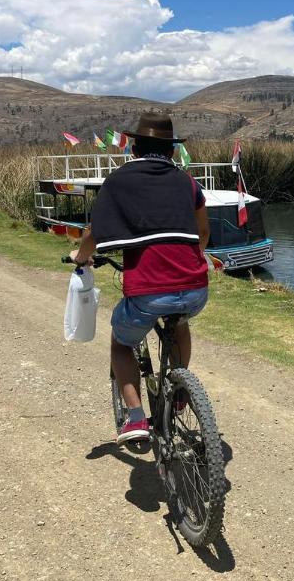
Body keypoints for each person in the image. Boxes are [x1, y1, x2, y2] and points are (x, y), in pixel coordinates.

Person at [70, 112, 210, 445]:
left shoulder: (118, 181)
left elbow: (95, 231)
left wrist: (80, 256)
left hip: (148, 291)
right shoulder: (187, 182)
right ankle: (179, 385)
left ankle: (135, 418)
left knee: (121, 343)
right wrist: (190, 256)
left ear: (134, 148)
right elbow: (203, 232)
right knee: (179, 324)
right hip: (195, 289)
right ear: (173, 151)